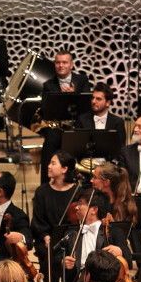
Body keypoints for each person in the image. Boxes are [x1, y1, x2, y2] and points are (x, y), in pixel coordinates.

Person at [56, 190, 129, 282]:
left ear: (94, 210)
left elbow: (129, 259)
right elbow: (56, 260)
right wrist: (63, 262)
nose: (76, 207)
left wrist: (120, 251)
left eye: (80, 203)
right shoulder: (71, 234)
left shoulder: (113, 231)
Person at [39, 50, 92, 183]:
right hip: (57, 127)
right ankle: (45, 187)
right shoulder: (48, 85)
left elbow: (87, 107)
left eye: (64, 62)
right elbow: (47, 112)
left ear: (71, 65)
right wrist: (63, 99)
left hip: (77, 128)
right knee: (49, 142)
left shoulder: (82, 80)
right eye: (57, 62)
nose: (61, 65)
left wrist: (74, 96)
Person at [30, 151, 79, 280]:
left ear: (64, 168)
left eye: (53, 163)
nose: (48, 166)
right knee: (48, 257)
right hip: (47, 240)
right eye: (49, 163)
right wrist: (45, 236)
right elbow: (37, 220)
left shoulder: (77, 191)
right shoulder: (42, 191)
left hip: (71, 239)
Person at [0, 171, 32, 259]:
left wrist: (21, 237)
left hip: (5, 265)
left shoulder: (18, 215)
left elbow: (29, 242)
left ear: (0, 192)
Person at [76, 82, 126, 150]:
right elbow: (77, 146)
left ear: (108, 103)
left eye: (98, 99)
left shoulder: (117, 122)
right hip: (87, 159)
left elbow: (121, 148)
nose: (93, 101)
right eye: (93, 98)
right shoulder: (82, 119)